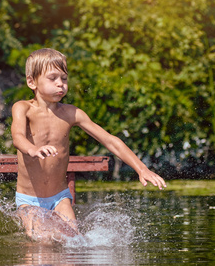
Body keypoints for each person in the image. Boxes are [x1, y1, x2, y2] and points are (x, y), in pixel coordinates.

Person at [11, 48, 166, 238]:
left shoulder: (71, 113)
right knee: (42, 242)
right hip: (30, 199)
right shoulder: (22, 108)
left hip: (59, 197)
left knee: (74, 242)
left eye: (64, 78)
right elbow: (18, 137)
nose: (61, 84)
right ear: (31, 82)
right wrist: (33, 149)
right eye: (53, 78)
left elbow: (110, 140)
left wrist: (141, 168)